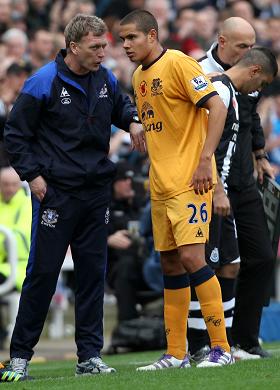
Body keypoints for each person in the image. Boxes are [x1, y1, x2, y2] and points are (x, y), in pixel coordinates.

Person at [3, 13, 145, 379]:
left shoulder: (105, 78)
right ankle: (19, 357)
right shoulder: (42, 82)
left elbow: (120, 105)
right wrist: (31, 176)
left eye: (105, 45)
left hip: (96, 191)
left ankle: (89, 357)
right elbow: (15, 135)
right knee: (43, 273)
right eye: (97, 46)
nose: (105, 52)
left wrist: (131, 120)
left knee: (92, 273)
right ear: (74, 46)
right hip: (56, 192)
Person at [119, 9, 233, 370]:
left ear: (152, 35)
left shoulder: (180, 64)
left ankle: (221, 348)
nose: (125, 45)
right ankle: (175, 353)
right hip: (160, 183)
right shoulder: (138, 76)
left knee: (191, 259)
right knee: (170, 264)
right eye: (122, 39)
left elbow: (216, 107)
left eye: (131, 37)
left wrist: (204, 161)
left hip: (190, 180)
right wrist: (136, 123)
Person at [189, 16, 276, 360]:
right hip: (212, 179)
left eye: (252, 46)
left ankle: (245, 339)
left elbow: (251, 116)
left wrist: (259, 153)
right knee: (213, 261)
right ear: (222, 42)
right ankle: (208, 341)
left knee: (261, 257)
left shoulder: (248, 76)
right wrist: (215, 186)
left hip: (242, 176)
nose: (248, 52)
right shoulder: (199, 73)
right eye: (243, 46)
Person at [0, 166, 32, 348]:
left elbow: (20, 241)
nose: (9, 188)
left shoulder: (27, 204)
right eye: (5, 184)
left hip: (18, 267)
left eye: (13, 184)